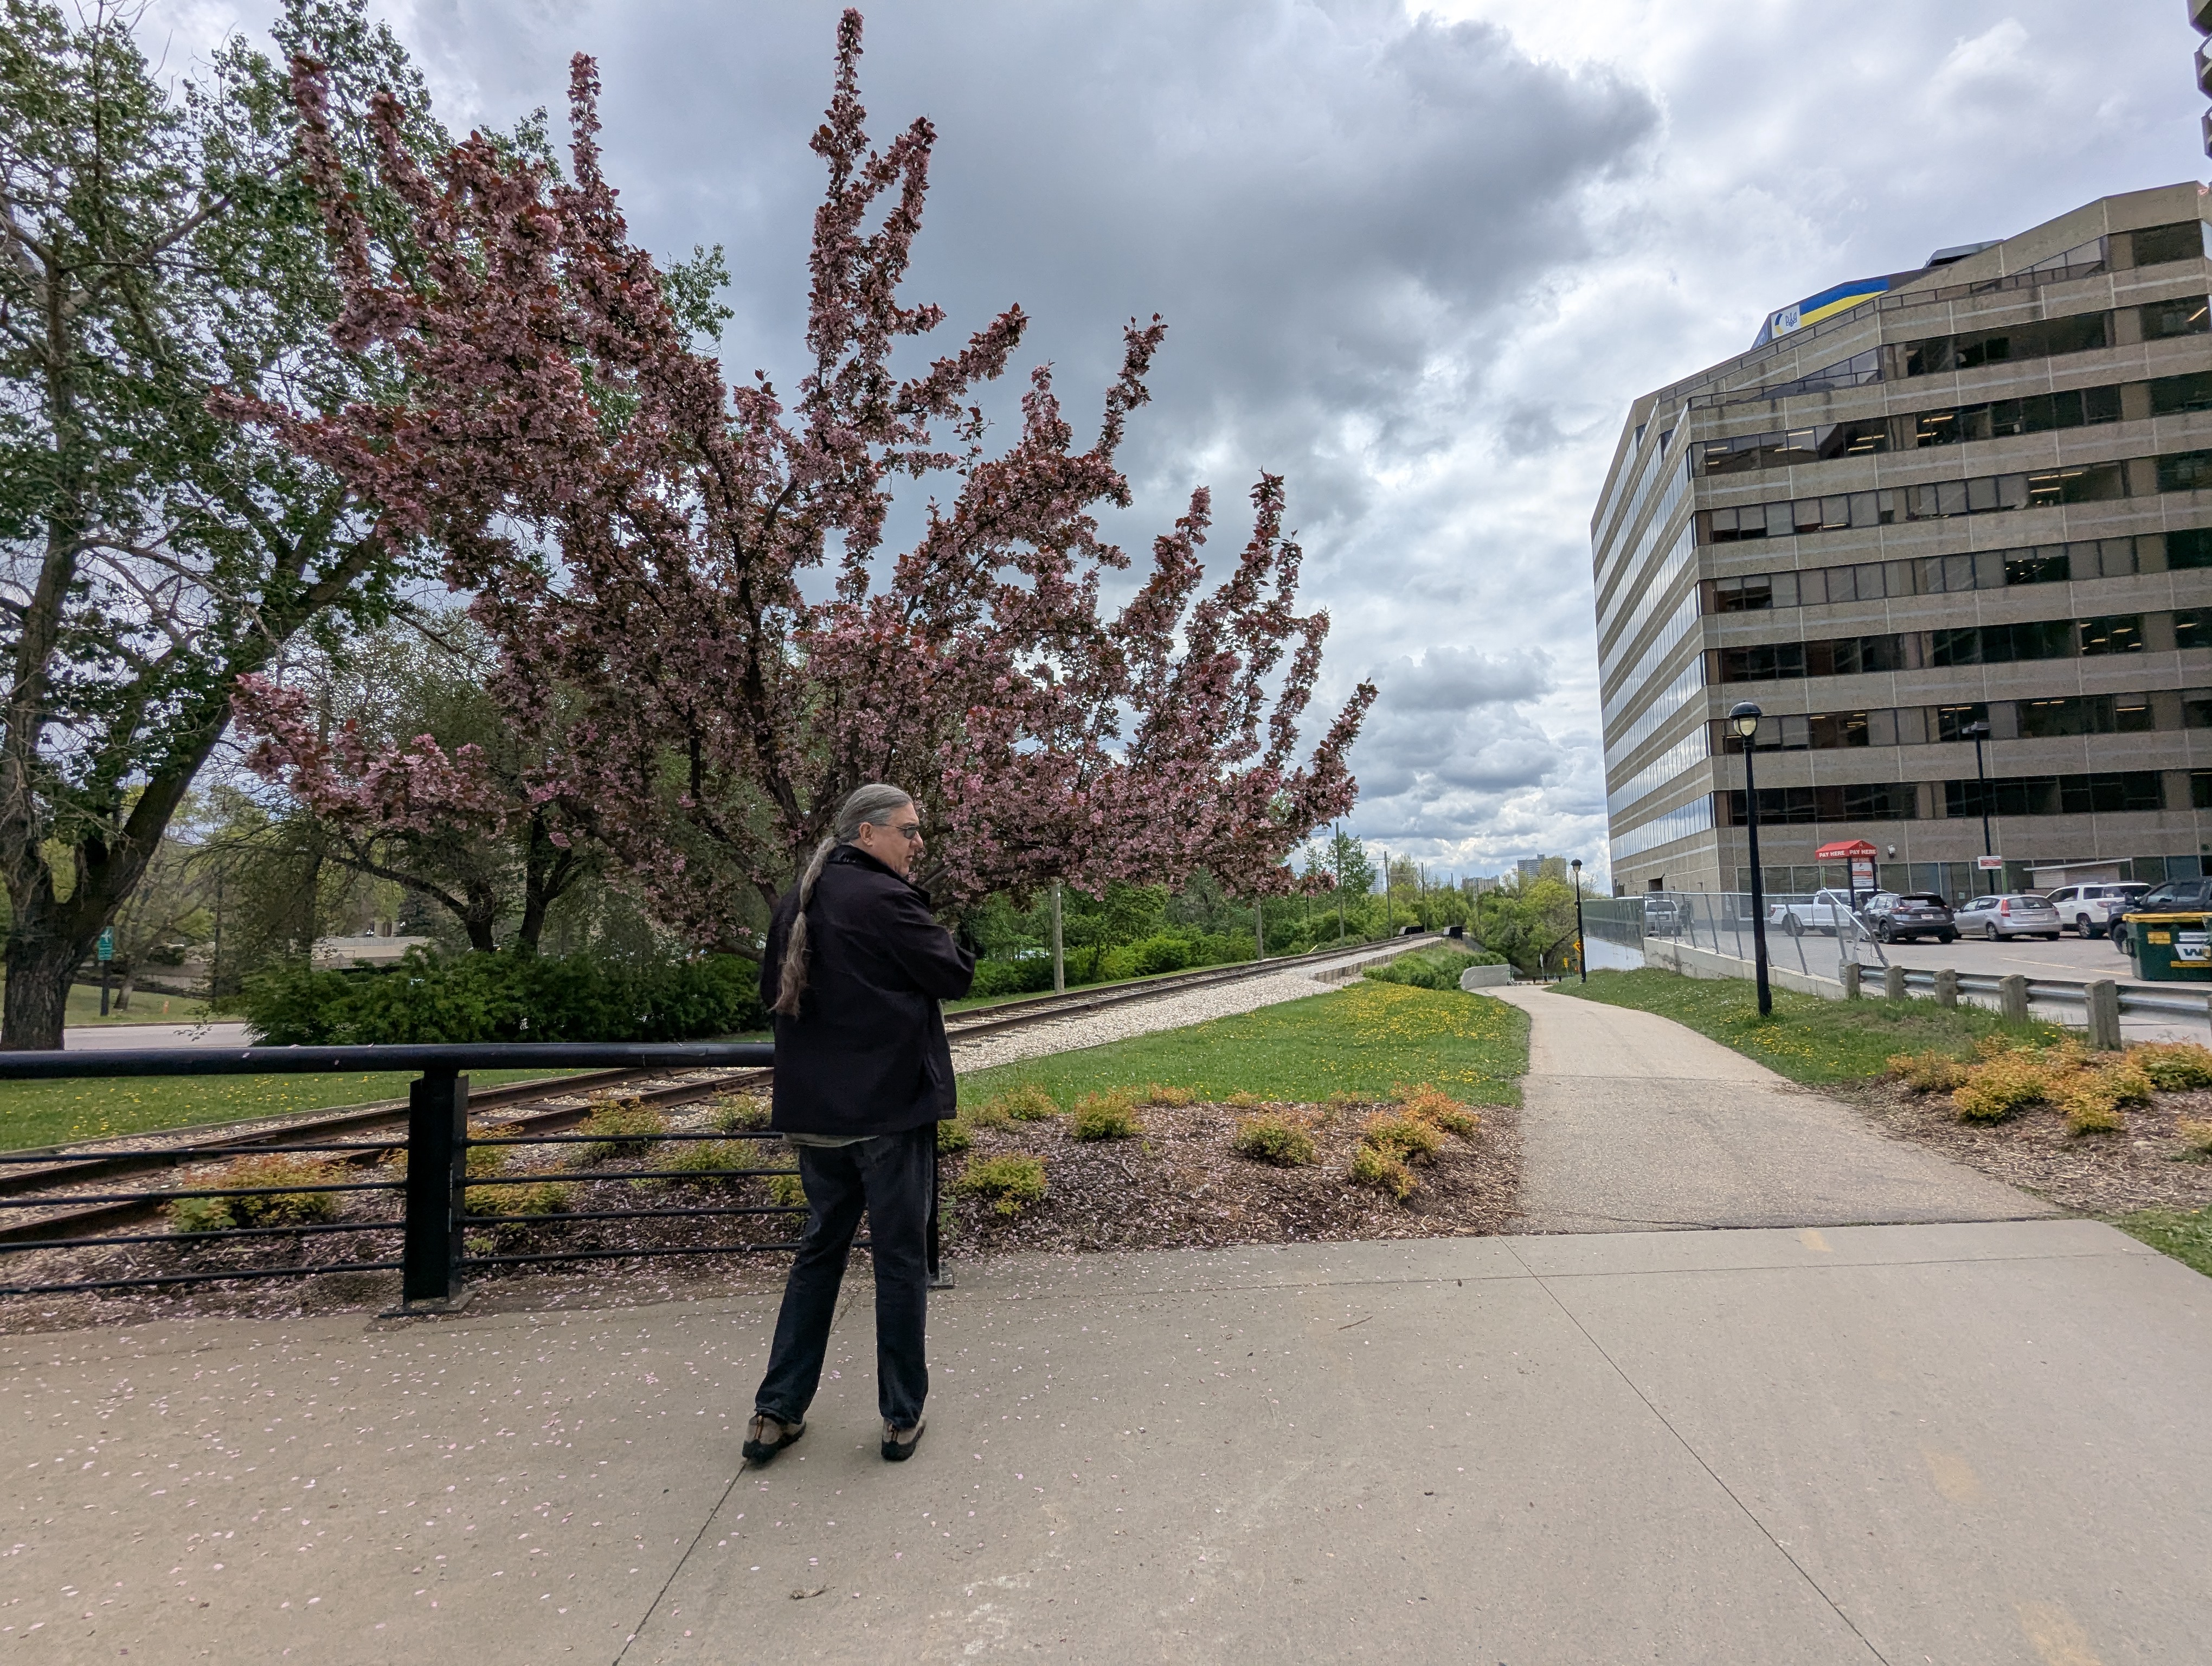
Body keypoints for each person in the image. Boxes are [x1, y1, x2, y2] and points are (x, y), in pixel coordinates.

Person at [744, 783, 974, 1465]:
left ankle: (775, 1414)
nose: (919, 841)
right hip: (885, 1117)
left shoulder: (799, 902)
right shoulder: (885, 901)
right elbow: (953, 975)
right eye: (909, 830)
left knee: (819, 1255)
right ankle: (900, 1419)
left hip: (816, 1120)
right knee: (901, 1264)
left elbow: (772, 995)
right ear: (867, 834)